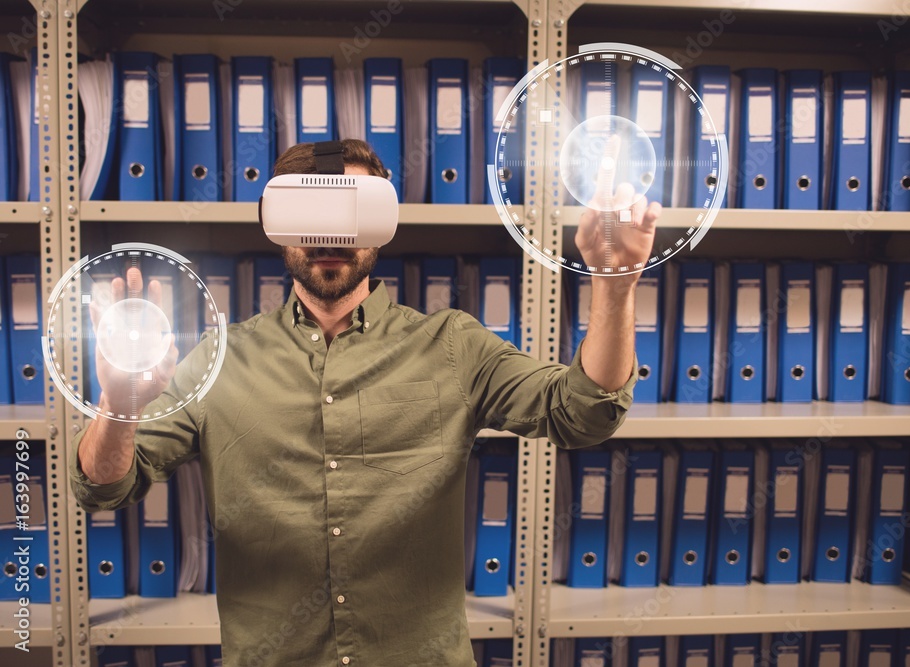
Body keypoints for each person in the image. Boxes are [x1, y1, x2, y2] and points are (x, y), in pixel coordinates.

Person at [70, 139, 661, 666]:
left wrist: (616, 285)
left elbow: (582, 412)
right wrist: (119, 402)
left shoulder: (452, 345)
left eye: (351, 213)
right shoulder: (217, 359)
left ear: (382, 224)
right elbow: (104, 486)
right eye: (311, 214)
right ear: (277, 224)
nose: (331, 238)